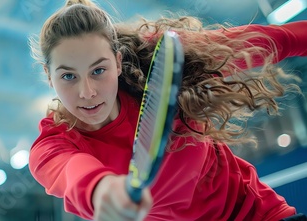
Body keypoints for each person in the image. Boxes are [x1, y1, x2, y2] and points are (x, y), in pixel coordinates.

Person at [27, 0, 307, 220]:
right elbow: (71, 171)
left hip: (258, 213)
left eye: (98, 70)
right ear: (49, 77)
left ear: (118, 60)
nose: (87, 91)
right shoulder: (53, 146)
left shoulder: (161, 59)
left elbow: (274, 40)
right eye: (68, 77)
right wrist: (102, 190)